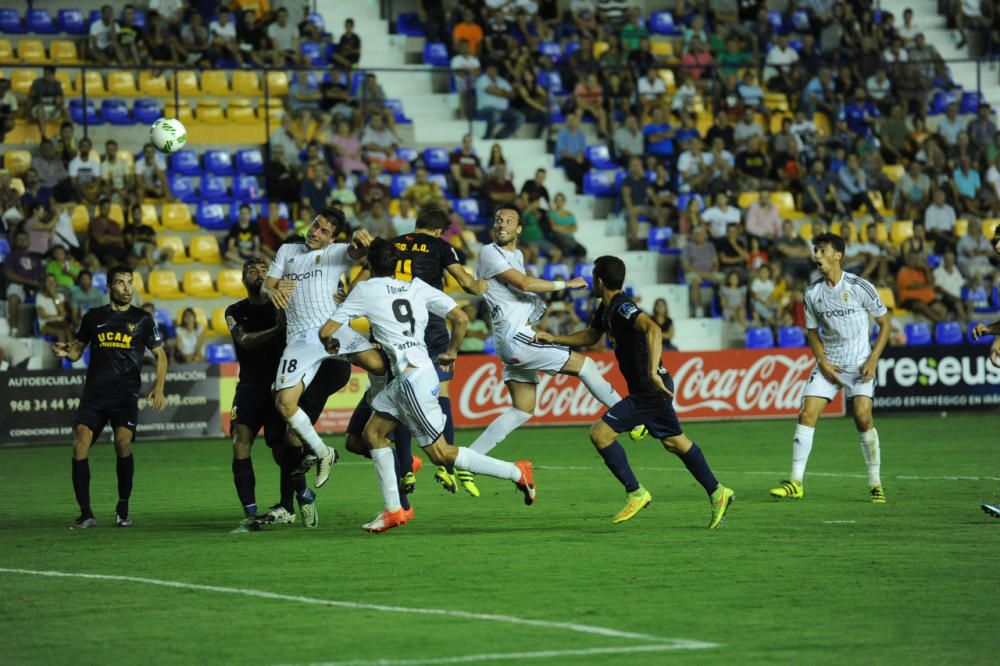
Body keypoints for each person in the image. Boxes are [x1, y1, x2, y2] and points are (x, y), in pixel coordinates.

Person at [319, 238, 536, 533]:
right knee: (372, 434)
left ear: (369, 264)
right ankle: (394, 510)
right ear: (397, 264)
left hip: (410, 381)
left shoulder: (366, 290)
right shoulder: (417, 287)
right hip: (415, 373)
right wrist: (451, 352)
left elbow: (327, 330)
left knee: (443, 455)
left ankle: (517, 472)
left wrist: (332, 343)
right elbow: (460, 318)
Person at [534, 255, 735, 526]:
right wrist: (554, 338)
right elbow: (591, 337)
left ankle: (636, 492)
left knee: (600, 434)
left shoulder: (622, 307)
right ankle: (718, 492)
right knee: (675, 442)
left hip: (650, 390)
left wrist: (652, 371)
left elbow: (652, 328)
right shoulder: (605, 309)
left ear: (599, 280)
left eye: (594, 276)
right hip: (653, 389)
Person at [464, 205, 626, 463]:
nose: (502, 224)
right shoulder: (488, 252)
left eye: (508, 221)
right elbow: (524, 283)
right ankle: (627, 414)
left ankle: (466, 460)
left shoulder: (515, 255)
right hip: (516, 338)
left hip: (513, 338)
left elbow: (516, 293)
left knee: (522, 409)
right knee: (586, 366)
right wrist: (566, 284)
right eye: (498, 221)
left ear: (518, 229)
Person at [225, 257, 350, 531]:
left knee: (283, 451)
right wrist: (277, 331)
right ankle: (250, 511)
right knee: (239, 442)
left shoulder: (285, 305)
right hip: (249, 387)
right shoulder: (234, 310)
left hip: (280, 386)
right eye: (251, 270)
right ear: (243, 278)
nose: (258, 273)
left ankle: (300, 497)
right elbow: (244, 340)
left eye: (263, 270)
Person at [264, 208, 384, 491]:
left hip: (333, 328)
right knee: (284, 403)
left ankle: (384, 411)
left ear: (333, 239)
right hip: (299, 340)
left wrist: (360, 240)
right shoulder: (287, 250)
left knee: (381, 366)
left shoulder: (336, 252)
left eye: (324, 231)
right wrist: (272, 290)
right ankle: (323, 452)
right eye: (315, 226)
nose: (315, 233)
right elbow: (267, 286)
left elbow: (363, 253)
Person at [770, 233, 892, 503]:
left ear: (838, 254)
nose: (817, 256)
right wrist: (822, 361)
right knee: (806, 413)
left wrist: (872, 359)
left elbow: (886, 324)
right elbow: (811, 332)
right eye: (815, 251)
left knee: (863, 417)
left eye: (822, 250)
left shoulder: (860, 287)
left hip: (860, 365)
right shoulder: (812, 293)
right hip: (829, 366)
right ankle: (796, 481)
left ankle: (875, 483)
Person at [52, 266, 168, 528]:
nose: (127, 287)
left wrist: (159, 387)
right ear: (109, 287)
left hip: (125, 395)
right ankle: (86, 513)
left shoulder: (143, 319)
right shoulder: (93, 317)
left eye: (130, 282)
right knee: (80, 442)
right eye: (120, 283)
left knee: (122, 444)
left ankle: (123, 507)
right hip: (94, 394)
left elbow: (160, 355)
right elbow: (77, 351)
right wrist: (66, 352)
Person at [4, 230, 45, 336]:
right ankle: (13, 329)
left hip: (35, 288)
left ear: (29, 241)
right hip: (17, 285)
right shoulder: (11, 256)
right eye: (20, 239)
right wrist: (30, 282)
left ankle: (40, 331)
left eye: (25, 239)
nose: (22, 241)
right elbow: (9, 274)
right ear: (15, 241)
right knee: (13, 299)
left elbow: (42, 276)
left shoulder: (36, 258)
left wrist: (41, 284)